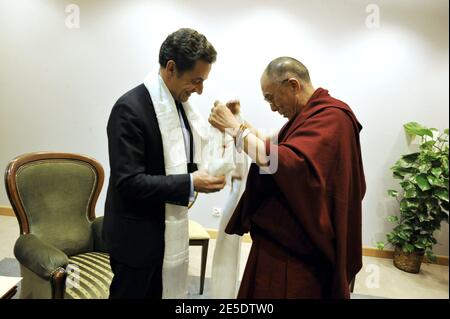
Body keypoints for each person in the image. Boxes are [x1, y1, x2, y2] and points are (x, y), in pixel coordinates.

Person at [208, 56, 366, 298]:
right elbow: (272, 146)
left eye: (271, 98)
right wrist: (238, 121)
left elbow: (282, 162)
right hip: (278, 242)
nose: (272, 107)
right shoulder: (308, 116)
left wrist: (234, 128)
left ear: (293, 85)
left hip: (299, 252)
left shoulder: (333, 118)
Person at [103, 28, 226, 299]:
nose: (200, 90)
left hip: (167, 230)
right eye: (196, 80)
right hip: (137, 238)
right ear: (171, 68)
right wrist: (192, 183)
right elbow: (128, 182)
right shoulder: (130, 109)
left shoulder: (180, 107)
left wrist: (206, 169)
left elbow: (180, 162)